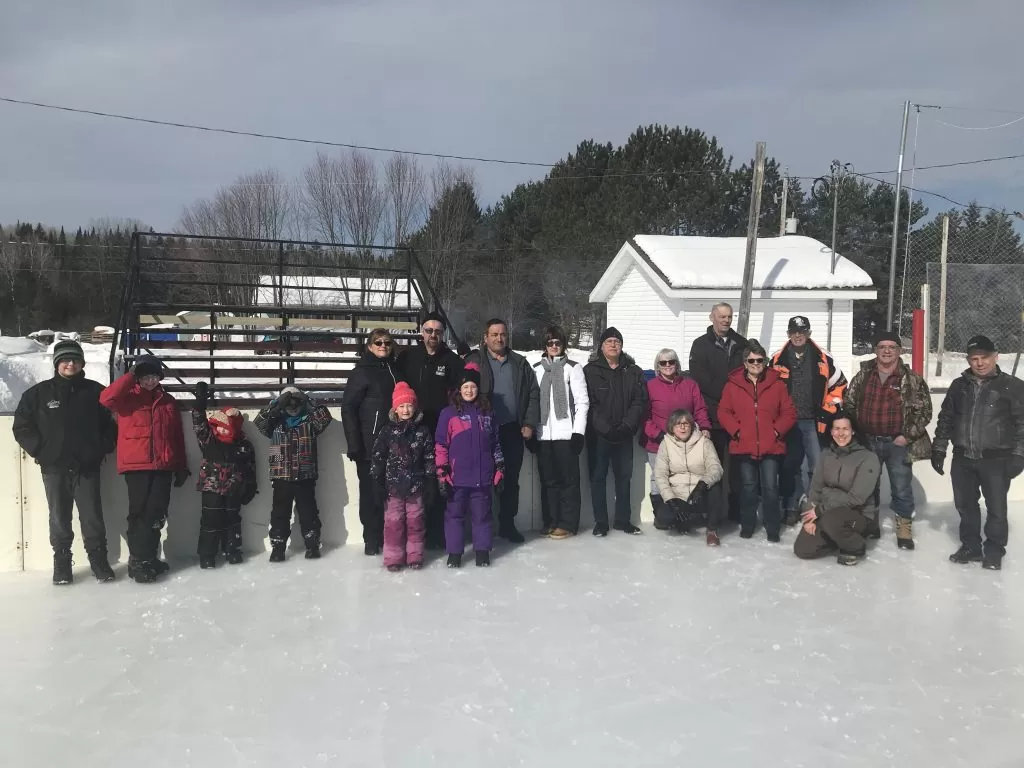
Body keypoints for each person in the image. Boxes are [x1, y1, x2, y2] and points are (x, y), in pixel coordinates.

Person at [12, 339, 117, 585]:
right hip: (54, 467)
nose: (70, 364)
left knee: (92, 516)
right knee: (59, 517)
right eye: (65, 360)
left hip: (87, 467)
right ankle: (61, 563)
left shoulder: (97, 392)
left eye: (75, 360)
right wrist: (41, 450)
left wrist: (100, 449)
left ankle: (99, 561)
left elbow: (111, 426)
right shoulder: (38, 394)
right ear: (57, 363)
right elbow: (22, 426)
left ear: (82, 363)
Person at [932, 335, 1024, 571]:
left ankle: (994, 550)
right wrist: (940, 448)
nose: (979, 363)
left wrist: (1019, 455)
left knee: (996, 508)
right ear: (968, 360)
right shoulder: (959, 386)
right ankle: (971, 547)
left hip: (997, 458)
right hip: (963, 457)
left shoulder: (1013, 387)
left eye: (984, 358)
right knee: (965, 505)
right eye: (974, 359)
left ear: (995, 357)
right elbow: (946, 419)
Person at [100, 354, 190, 583]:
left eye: (153, 376)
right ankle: (138, 562)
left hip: (163, 465)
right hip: (137, 465)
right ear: (138, 378)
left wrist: (180, 465)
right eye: (145, 377)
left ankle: (149, 557)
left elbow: (176, 437)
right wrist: (131, 375)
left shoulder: (167, 401)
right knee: (140, 514)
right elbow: (106, 398)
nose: (150, 381)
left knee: (157, 514)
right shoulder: (127, 398)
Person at [844, 330, 932, 550]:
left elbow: (925, 412)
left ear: (899, 351)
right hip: (868, 442)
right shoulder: (864, 376)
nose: (886, 351)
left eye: (891, 347)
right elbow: (849, 403)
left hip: (897, 444)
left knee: (901, 487)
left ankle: (903, 528)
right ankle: (870, 523)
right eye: (882, 347)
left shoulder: (911, 380)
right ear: (875, 350)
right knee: (868, 487)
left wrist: (906, 436)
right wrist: (857, 433)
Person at [463, 319, 540, 543]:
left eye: (503, 334)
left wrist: (529, 422)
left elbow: (533, 394)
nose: (499, 338)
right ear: (485, 337)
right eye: (494, 334)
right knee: (482, 481)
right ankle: (482, 528)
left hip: (512, 431)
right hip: (483, 431)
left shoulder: (519, 363)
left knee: (510, 480)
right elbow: (461, 391)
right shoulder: (475, 361)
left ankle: (507, 524)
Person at [395, 311, 464, 549]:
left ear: (442, 334)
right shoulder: (408, 357)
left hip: (440, 433)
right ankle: (411, 535)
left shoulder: (451, 360)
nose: (433, 335)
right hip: (411, 431)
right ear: (421, 332)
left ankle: (436, 536)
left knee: (438, 484)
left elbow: (461, 393)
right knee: (412, 484)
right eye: (429, 330)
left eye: (437, 331)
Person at [769, 316, 847, 525]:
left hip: (814, 422)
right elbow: (768, 391)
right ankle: (792, 505)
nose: (797, 335)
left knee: (817, 466)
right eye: (794, 332)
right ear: (788, 334)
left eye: (802, 332)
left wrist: (828, 410)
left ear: (809, 334)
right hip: (788, 423)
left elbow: (839, 386)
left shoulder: (823, 358)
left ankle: (814, 506)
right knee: (791, 466)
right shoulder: (776, 360)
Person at [717, 340, 797, 541]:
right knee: (748, 488)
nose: (755, 364)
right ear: (744, 363)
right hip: (744, 446)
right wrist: (736, 431)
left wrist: (776, 432)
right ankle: (748, 524)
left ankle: (772, 528)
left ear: (765, 362)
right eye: (751, 360)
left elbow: (788, 412)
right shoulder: (732, 385)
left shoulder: (777, 384)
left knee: (770, 488)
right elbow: (724, 411)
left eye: (759, 360)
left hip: (771, 446)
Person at [435, 364, 504, 568]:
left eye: (473, 386)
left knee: (482, 515)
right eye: (465, 387)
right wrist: (442, 470)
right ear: (459, 389)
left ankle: (482, 552)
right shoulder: (449, 413)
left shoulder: (487, 412)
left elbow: (495, 443)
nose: (469, 390)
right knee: (454, 515)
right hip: (457, 477)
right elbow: (441, 444)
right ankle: (454, 553)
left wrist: (499, 467)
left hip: (482, 477)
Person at [254, 386, 333, 562]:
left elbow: (325, 417)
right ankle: (278, 546)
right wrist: (274, 406)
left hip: (305, 476)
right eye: (288, 404)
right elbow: (259, 422)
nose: (293, 407)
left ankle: (312, 544)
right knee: (279, 514)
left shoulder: (309, 422)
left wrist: (308, 400)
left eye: (297, 403)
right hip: (281, 476)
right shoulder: (275, 423)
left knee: (308, 512)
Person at [640, 348, 711, 539]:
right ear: (657, 366)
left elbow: (700, 409)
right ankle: (661, 516)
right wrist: (658, 435)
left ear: (677, 364)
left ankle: (685, 514)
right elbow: (644, 416)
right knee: (658, 479)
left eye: (671, 362)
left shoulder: (690, 385)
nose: (668, 365)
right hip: (659, 442)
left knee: (684, 477)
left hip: (686, 443)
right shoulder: (650, 386)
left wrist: (704, 427)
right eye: (663, 363)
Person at [794, 413, 881, 566]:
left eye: (845, 429)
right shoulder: (826, 454)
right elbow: (815, 488)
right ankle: (838, 537)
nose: (841, 433)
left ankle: (856, 545)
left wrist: (820, 511)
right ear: (831, 431)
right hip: (827, 511)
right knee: (803, 549)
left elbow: (857, 498)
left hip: (858, 513)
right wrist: (809, 518)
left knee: (831, 520)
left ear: (853, 431)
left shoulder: (868, 458)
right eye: (836, 429)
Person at [584, 327, 648, 536]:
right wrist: (604, 428)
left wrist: (626, 426)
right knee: (598, 478)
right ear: (601, 345)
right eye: (609, 341)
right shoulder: (590, 371)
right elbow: (589, 403)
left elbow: (639, 401)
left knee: (624, 477)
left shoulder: (633, 370)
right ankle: (601, 522)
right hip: (599, 434)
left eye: (617, 341)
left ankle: (623, 520)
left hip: (624, 433)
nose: (613, 344)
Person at [689, 302, 747, 523]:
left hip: (737, 416)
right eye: (721, 316)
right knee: (712, 466)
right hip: (712, 416)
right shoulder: (700, 345)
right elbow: (699, 377)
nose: (726, 320)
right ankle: (711, 513)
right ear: (711, 317)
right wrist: (728, 393)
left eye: (729, 317)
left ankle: (735, 511)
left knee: (737, 468)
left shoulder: (741, 344)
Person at [342, 328, 398, 556]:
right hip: (368, 444)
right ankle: (371, 538)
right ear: (369, 346)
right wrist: (354, 444)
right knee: (370, 492)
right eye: (378, 342)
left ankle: (390, 535)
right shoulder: (361, 372)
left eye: (386, 342)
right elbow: (348, 408)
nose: (383, 345)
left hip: (394, 443)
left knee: (392, 491)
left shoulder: (396, 369)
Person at [190, 382, 258, 569]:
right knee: (210, 522)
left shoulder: (243, 444)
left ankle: (232, 550)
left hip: (234, 487)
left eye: (227, 427)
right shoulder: (208, 439)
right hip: (211, 487)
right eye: (219, 427)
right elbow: (197, 420)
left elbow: (251, 466)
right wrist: (200, 400)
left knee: (232, 521)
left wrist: (251, 485)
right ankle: (207, 555)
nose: (222, 431)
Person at [531, 325, 589, 538]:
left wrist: (578, 433)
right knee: (548, 481)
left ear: (563, 344)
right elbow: (533, 401)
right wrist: (533, 432)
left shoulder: (573, 368)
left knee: (568, 481)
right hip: (544, 434)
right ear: (544, 346)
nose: (554, 346)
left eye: (558, 343)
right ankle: (551, 520)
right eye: (550, 343)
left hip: (566, 434)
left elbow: (582, 403)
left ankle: (567, 523)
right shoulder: (536, 369)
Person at [371, 382, 435, 572]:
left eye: (409, 405)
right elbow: (378, 458)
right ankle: (393, 557)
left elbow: (429, 457)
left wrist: (431, 480)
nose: (406, 410)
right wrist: (377, 482)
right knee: (393, 523)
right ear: (395, 408)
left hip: (416, 486)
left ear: (415, 407)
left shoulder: (422, 431)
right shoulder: (387, 431)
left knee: (416, 522)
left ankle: (415, 555)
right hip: (393, 488)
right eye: (402, 406)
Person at [653, 409, 723, 540]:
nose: (683, 427)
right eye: (678, 424)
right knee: (663, 518)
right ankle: (682, 520)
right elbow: (660, 475)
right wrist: (671, 500)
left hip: (699, 494)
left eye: (686, 424)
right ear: (672, 427)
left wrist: (702, 485)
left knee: (715, 489)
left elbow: (716, 468)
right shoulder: (666, 444)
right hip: (678, 496)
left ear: (692, 425)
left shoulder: (704, 442)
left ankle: (712, 530)